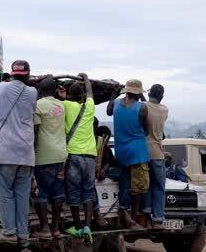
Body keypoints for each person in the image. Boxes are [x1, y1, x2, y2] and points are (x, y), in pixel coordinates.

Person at [0, 60, 37, 247]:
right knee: (22, 194)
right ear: (27, 75)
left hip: (6, 150)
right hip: (26, 152)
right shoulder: (33, 92)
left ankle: (9, 232)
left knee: (6, 193)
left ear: (11, 74)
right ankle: (23, 234)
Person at [63, 74, 106, 244]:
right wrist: (86, 79)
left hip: (73, 155)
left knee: (73, 191)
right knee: (88, 190)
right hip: (90, 156)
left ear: (69, 96)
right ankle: (88, 226)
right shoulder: (89, 107)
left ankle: (77, 226)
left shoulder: (66, 105)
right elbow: (90, 93)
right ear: (82, 97)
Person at [107, 79, 150, 229]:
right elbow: (147, 131)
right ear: (138, 93)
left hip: (121, 152)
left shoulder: (117, 104)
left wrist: (114, 93)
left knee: (125, 184)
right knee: (138, 188)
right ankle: (133, 218)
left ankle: (124, 212)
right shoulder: (142, 108)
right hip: (138, 152)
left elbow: (108, 110)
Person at [32, 76, 67, 239]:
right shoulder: (62, 105)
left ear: (40, 91)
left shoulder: (37, 106)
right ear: (54, 91)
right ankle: (56, 228)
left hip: (44, 156)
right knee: (58, 192)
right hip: (61, 155)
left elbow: (35, 132)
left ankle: (45, 228)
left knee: (42, 193)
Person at [141, 84, 168, 229]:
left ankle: (146, 211)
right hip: (158, 153)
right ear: (162, 96)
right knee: (159, 186)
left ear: (149, 92)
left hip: (144, 152)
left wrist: (141, 94)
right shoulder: (165, 110)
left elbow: (146, 107)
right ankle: (158, 218)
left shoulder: (142, 106)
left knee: (146, 184)